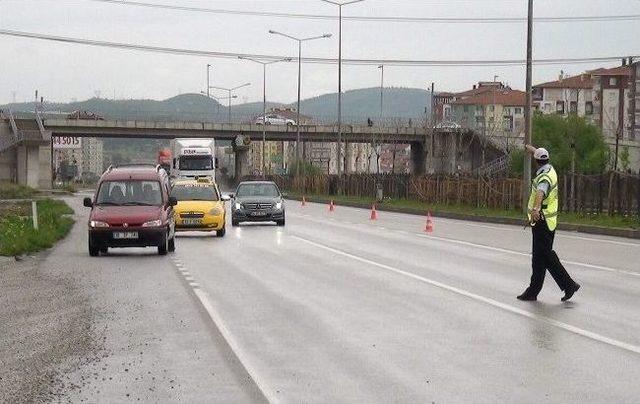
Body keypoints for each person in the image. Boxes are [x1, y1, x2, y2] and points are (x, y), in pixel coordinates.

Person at [517, 145, 580, 302]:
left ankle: (569, 284)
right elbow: (538, 151)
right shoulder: (550, 170)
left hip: (542, 221)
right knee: (539, 258)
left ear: (536, 162)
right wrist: (529, 148)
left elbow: (540, 192)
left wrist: (536, 210)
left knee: (544, 256)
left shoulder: (544, 177)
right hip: (547, 221)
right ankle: (533, 291)